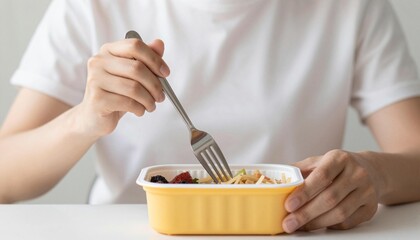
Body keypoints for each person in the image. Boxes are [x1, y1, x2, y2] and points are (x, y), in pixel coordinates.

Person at [1, 0, 420, 233]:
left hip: (295, 230)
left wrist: (375, 174)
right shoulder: (90, 6)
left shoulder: (352, 7)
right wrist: (85, 119)